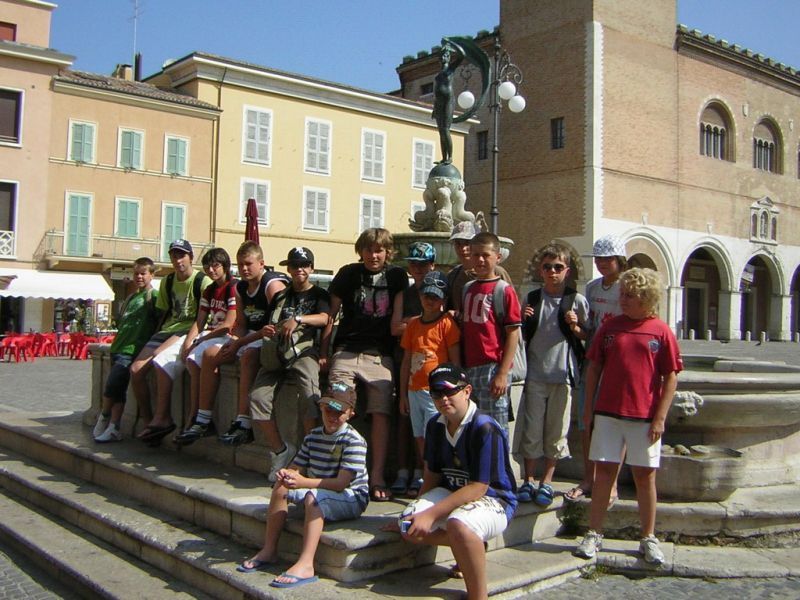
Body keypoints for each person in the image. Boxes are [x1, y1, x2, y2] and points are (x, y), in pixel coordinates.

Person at [574, 268, 682, 565]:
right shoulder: (610, 327)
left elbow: (671, 377)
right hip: (608, 414)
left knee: (645, 477)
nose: (623, 300)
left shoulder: (661, 331)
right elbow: (594, 367)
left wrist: (660, 417)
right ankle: (594, 533)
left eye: (630, 295)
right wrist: (588, 408)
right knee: (603, 475)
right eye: (622, 294)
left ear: (647, 298)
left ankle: (648, 537)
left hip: (644, 417)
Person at [397, 363, 517, 600]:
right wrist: (415, 511)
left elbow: (479, 487)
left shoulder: (484, 427)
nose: (443, 398)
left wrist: (430, 515)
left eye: (450, 390)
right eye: (436, 393)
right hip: (453, 492)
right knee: (407, 525)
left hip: (495, 499)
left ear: (467, 391)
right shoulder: (435, 424)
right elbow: (432, 474)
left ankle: (478, 595)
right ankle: (470, 545)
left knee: (459, 525)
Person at [236, 384, 368, 589]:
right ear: (321, 408)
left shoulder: (354, 441)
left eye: (339, 412)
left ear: (350, 413)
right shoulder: (313, 436)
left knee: (313, 498)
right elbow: (295, 468)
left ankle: (306, 564)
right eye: (328, 410)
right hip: (320, 490)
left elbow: (341, 483)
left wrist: (302, 482)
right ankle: (269, 549)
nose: (332, 417)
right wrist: (287, 474)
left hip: (351, 497)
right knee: (281, 486)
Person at [323, 227, 409, 502]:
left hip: (379, 355)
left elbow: (397, 320)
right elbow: (330, 315)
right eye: (369, 250)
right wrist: (324, 352)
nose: (374, 255)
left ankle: (377, 476)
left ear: (388, 252)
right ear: (361, 251)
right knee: (336, 406)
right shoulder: (348, 273)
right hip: (346, 351)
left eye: (379, 250)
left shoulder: (397, 276)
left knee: (381, 411)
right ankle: (337, 472)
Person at [248, 247, 331, 481]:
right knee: (257, 398)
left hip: (304, 352)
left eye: (304, 265)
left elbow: (325, 319)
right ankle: (280, 450)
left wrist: (298, 319)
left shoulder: (319, 294)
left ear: (311, 268)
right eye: (295, 266)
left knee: (310, 396)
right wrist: (265, 330)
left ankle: (310, 456)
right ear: (289, 269)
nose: (299, 270)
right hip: (275, 354)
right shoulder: (280, 296)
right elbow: (267, 324)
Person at [515, 243, 588, 507]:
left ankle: (547, 481)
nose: (552, 272)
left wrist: (575, 326)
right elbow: (520, 334)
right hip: (535, 374)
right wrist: (523, 319)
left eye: (558, 267)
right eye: (547, 267)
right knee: (532, 429)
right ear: (541, 270)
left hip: (562, 375)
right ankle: (529, 479)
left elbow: (587, 335)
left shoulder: (576, 300)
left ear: (567, 271)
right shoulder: (532, 298)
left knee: (557, 432)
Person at [200, 242, 288, 446]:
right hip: (250, 336)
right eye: (240, 265)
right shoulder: (240, 287)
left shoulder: (272, 286)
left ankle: (243, 423)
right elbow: (241, 325)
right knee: (211, 354)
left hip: (271, 339)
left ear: (261, 263)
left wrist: (240, 343)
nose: (244, 269)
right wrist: (233, 341)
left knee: (248, 357)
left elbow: (275, 327)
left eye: (248, 264)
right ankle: (203, 418)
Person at [565, 234, 628, 503]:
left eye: (607, 259)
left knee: (615, 423)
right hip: (592, 360)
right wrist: (575, 326)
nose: (602, 263)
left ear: (619, 259)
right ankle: (589, 478)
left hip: (618, 363)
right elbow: (588, 330)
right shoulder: (591, 288)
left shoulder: (628, 286)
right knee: (586, 420)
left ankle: (610, 483)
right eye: (599, 259)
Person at [131, 239, 211, 445]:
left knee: (160, 357)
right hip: (168, 329)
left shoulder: (202, 281)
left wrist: (189, 338)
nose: (178, 260)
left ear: (191, 257)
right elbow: (163, 312)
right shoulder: (167, 281)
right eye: (174, 256)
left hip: (189, 329)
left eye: (182, 255)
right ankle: (148, 421)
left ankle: (163, 417)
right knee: (136, 370)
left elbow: (204, 316)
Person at [397, 271, 461, 497]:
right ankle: (427, 473)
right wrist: (403, 395)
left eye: (435, 297)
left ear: (444, 300)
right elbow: (406, 361)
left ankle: (433, 477)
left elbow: (455, 361)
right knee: (420, 436)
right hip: (414, 389)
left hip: (436, 392)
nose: (430, 301)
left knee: (435, 434)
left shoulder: (447, 324)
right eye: (427, 296)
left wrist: (454, 390)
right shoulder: (413, 324)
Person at [459, 231, 521, 435]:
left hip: (493, 368)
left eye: (485, 255)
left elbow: (513, 333)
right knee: (472, 427)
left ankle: (498, 457)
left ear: (498, 257)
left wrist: (502, 373)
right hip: (470, 367)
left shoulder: (503, 290)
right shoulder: (468, 288)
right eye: (476, 255)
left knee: (495, 428)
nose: (480, 260)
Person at [174, 247, 238, 439]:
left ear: (225, 266)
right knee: (192, 360)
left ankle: (198, 417)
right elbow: (200, 321)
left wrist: (200, 340)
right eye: (207, 267)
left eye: (215, 266)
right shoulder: (209, 290)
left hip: (227, 336)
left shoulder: (233, 287)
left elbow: (228, 325)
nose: (211, 270)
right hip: (213, 334)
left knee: (200, 357)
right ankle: (196, 415)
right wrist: (189, 341)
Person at [92, 257, 159, 442]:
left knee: (112, 384)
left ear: (152, 275)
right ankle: (114, 427)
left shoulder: (153, 296)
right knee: (118, 390)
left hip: (132, 349)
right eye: (136, 273)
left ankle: (105, 416)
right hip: (118, 346)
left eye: (143, 273)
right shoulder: (131, 297)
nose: (139, 277)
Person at [390, 241, 437, 497]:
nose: (418, 269)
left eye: (423, 264)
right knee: (403, 416)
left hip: (430, 364)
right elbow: (394, 328)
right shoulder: (404, 294)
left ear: (432, 265)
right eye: (414, 264)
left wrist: (410, 324)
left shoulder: (437, 290)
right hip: (405, 359)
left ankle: (421, 471)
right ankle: (402, 470)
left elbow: (441, 320)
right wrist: (420, 323)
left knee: (428, 423)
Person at [446, 221, 513, 315]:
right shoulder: (453, 275)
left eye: (467, 243)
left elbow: (511, 306)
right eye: (458, 243)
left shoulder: (496, 272)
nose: (463, 248)